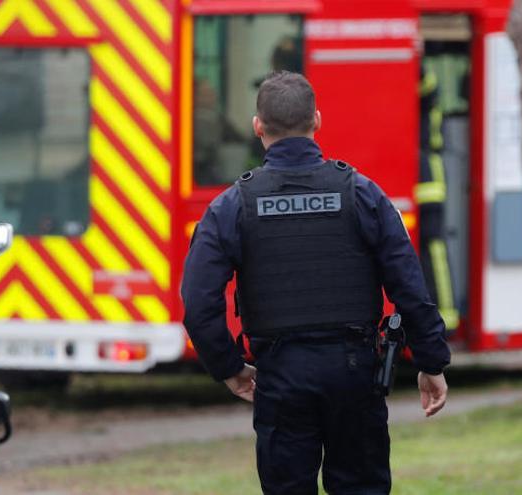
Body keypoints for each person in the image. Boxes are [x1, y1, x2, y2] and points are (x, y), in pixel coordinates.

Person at [181, 71, 451, 495]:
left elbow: (197, 302)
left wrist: (230, 369)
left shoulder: (232, 207)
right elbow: (409, 285)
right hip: (354, 373)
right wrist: (431, 361)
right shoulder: (363, 194)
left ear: (257, 127)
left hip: (281, 377)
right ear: (317, 121)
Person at [416, 65, 459, 331]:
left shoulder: (426, 89)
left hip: (427, 177)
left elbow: (427, 85)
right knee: (431, 252)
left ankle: (446, 317)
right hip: (425, 173)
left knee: (434, 250)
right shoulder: (427, 96)